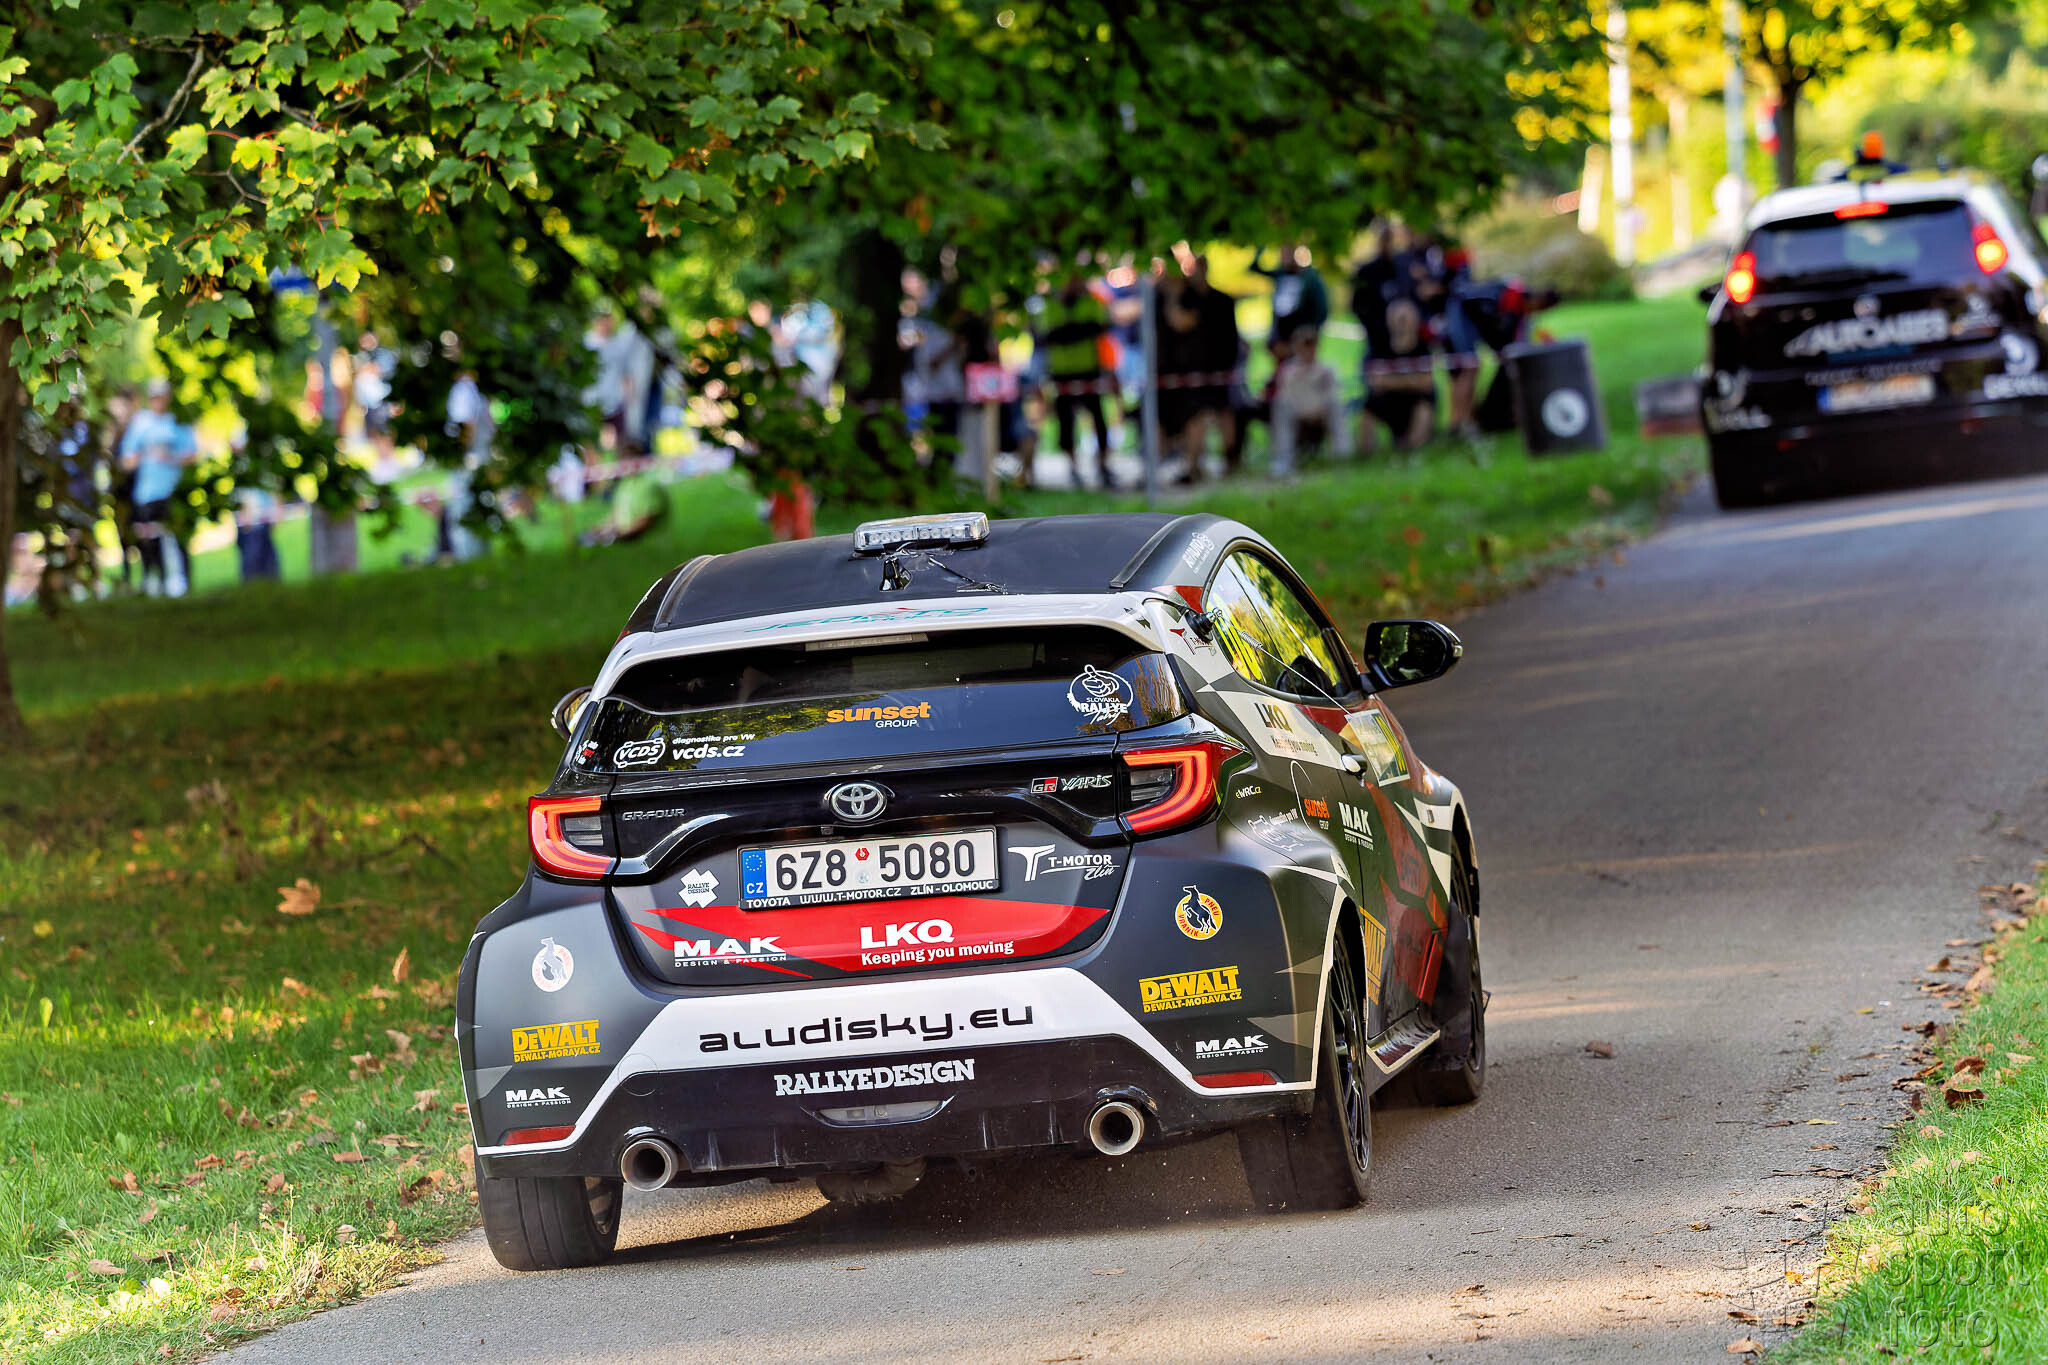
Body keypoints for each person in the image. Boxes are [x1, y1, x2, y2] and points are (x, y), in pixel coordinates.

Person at [1036, 271, 1118, 490]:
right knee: (1066, 421)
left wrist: (1067, 333)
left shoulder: (1091, 301)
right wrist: (1078, 330)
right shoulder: (1050, 305)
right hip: (1061, 372)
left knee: (1098, 418)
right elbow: (1048, 335)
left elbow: (1099, 327)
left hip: (1088, 369)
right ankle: (1073, 467)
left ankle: (1103, 465)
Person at [118, 377, 197, 596]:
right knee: (150, 539)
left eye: (161, 396)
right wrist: (145, 454)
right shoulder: (141, 423)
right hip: (147, 494)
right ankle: (157, 581)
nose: (158, 401)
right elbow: (126, 460)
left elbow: (193, 454)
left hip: (173, 490)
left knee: (176, 538)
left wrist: (171, 457)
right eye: (154, 397)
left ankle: (182, 582)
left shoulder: (177, 421)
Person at [1358, 297, 1437, 454]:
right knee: (1368, 407)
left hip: (1415, 399)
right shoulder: (1379, 346)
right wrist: (1411, 381)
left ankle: (1413, 450)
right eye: (1399, 319)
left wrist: (1390, 381)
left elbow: (1426, 382)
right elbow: (1375, 381)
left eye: (1406, 319)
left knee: (1424, 407)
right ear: (1389, 321)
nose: (1403, 324)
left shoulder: (1423, 348)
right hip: (1387, 400)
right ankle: (1366, 453)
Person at [1268, 329, 1350, 475]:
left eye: (1311, 344)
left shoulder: (1326, 369)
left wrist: (1318, 409)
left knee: (1335, 404)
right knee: (1281, 405)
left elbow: (1332, 393)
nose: (1308, 350)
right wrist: (1304, 411)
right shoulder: (1288, 371)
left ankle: (1342, 455)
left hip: (1321, 413)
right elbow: (1286, 395)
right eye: (1304, 345)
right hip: (1298, 414)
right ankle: (1283, 459)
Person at [1251, 243, 1329, 350]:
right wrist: (1260, 247)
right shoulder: (1280, 274)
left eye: (1288, 253)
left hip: (1301, 333)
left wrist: (1312, 329)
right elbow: (1254, 268)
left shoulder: (1311, 278)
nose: (1284, 257)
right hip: (1281, 332)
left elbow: (1320, 307)